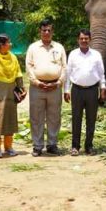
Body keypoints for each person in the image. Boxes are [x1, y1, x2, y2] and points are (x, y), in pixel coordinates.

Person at [26, 19, 67, 157]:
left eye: (49, 30)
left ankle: (52, 145)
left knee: (54, 117)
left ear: (52, 31)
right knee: (36, 117)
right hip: (37, 87)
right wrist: (36, 82)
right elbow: (29, 67)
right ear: (40, 31)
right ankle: (37, 146)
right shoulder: (33, 47)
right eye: (44, 30)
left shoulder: (59, 47)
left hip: (55, 87)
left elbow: (64, 67)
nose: (47, 32)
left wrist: (59, 82)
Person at [64, 29, 106, 156]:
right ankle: (75, 146)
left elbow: (101, 74)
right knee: (76, 118)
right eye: (81, 38)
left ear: (90, 40)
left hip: (92, 90)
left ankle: (89, 146)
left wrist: (103, 88)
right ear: (78, 40)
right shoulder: (73, 54)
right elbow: (68, 73)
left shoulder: (96, 55)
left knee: (91, 119)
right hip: (77, 90)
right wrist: (66, 90)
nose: (84, 40)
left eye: (86, 38)